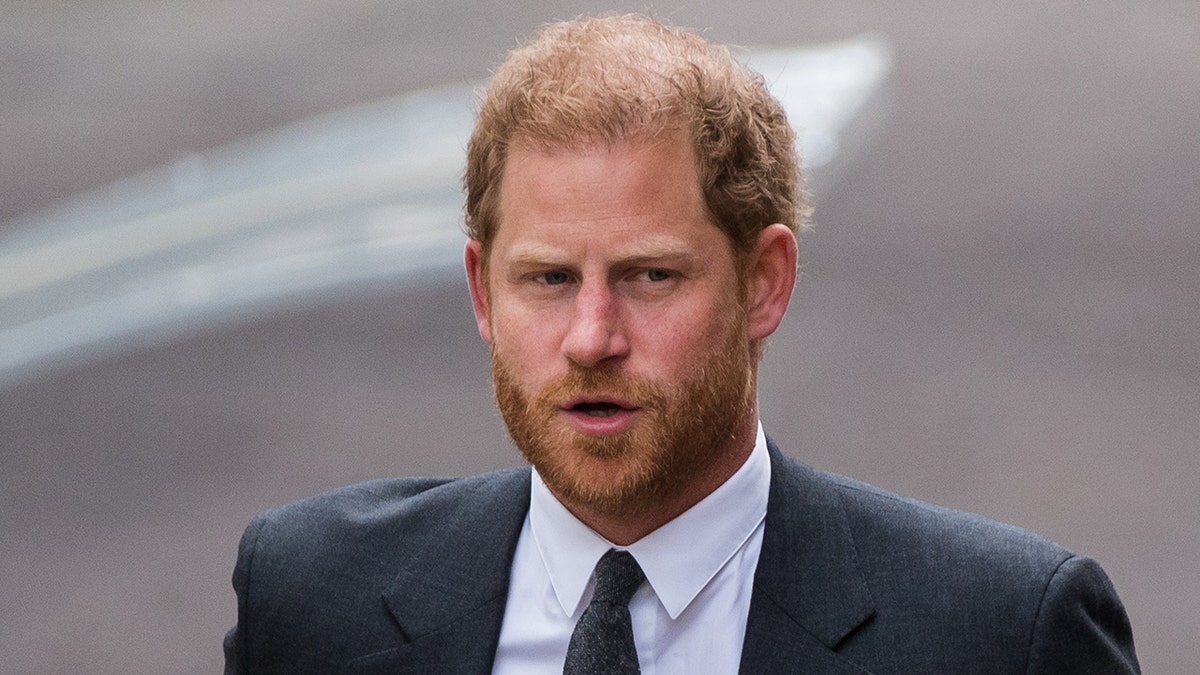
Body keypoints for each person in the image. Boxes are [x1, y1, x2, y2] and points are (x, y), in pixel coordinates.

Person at [223, 14, 1139, 674]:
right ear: (481, 291)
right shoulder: (310, 599)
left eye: (649, 276)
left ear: (764, 283)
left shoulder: (1003, 635)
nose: (591, 338)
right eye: (546, 279)